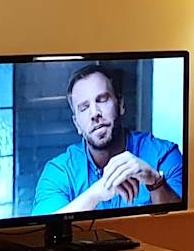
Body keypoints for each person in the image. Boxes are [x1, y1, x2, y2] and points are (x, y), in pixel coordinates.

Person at [32, 63, 183, 214]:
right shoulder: (59, 172)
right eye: (84, 107)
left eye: (102, 100)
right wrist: (95, 194)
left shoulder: (163, 155)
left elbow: (184, 222)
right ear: (77, 124)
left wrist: (155, 182)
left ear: (120, 105)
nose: (94, 113)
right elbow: (44, 225)